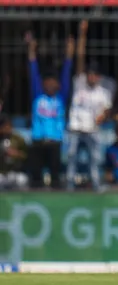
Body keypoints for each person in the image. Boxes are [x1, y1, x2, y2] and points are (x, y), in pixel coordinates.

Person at [66, 21, 112, 192]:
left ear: (98, 77)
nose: (91, 77)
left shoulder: (103, 91)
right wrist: (82, 35)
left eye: (94, 75)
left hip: (92, 129)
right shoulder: (80, 83)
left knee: (96, 158)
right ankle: (70, 185)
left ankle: (96, 185)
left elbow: (107, 109)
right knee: (71, 157)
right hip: (76, 128)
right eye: (89, 74)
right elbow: (80, 57)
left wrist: (103, 115)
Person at [27, 32, 73, 189]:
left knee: (56, 179)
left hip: (55, 143)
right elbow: (33, 71)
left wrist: (69, 51)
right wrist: (32, 49)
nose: (51, 85)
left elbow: (67, 71)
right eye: (48, 82)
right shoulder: (37, 96)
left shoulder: (61, 98)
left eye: (54, 82)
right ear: (43, 83)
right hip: (38, 142)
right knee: (36, 179)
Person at [0, 115, 29, 191]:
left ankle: (20, 201)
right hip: (1, 173)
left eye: (9, 125)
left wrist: (16, 154)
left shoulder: (18, 139)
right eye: (4, 126)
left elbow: (26, 155)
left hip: (14, 172)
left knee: (23, 180)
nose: (7, 128)